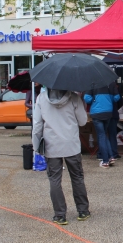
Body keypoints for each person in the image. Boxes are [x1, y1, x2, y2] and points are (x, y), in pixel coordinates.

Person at [33, 88, 90, 225]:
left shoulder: (41, 98)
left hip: (51, 144)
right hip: (71, 144)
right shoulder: (74, 97)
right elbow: (82, 121)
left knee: (54, 179)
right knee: (77, 177)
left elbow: (37, 125)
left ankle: (60, 215)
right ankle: (83, 210)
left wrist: (36, 147)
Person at [84, 82, 120, 168]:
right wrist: (108, 100)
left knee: (101, 136)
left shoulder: (92, 84)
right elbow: (117, 97)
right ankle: (111, 156)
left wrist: (94, 99)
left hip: (97, 113)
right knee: (104, 135)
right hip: (108, 112)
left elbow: (87, 98)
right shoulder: (111, 84)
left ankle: (105, 161)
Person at [107, 82, 122, 161]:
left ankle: (101, 153)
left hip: (100, 113)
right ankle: (114, 153)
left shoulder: (97, 84)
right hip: (113, 112)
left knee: (102, 135)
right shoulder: (113, 85)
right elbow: (118, 99)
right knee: (112, 134)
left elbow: (88, 99)